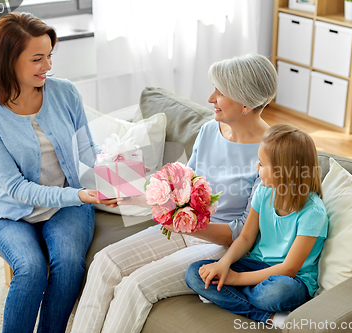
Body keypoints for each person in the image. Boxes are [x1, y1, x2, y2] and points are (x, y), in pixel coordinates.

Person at [71, 53, 278, 333]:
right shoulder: (209, 130)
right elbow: (184, 188)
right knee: (104, 262)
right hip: (185, 228)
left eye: (220, 92)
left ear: (245, 103)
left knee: (136, 286)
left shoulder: (271, 153)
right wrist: (134, 197)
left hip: (222, 246)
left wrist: (185, 224)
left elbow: (241, 233)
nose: (210, 98)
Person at [0, 12, 112, 333]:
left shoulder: (65, 92)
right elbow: (16, 188)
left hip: (67, 208)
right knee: (31, 269)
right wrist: (77, 194)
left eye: (49, 56)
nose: (47, 66)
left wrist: (124, 172)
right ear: (8, 61)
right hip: (12, 215)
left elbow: (88, 150)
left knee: (68, 267)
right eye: (37, 59)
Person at [184, 124, 329, 325]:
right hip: (255, 264)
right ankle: (267, 316)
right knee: (194, 273)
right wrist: (223, 264)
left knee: (277, 292)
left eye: (261, 164)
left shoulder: (313, 212)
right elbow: (245, 237)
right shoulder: (264, 191)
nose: (256, 168)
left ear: (282, 172)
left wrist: (233, 280)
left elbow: (288, 269)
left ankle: (233, 296)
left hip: (291, 280)